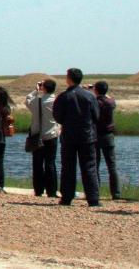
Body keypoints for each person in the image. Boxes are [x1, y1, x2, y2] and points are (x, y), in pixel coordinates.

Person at [52, 68, 100, 207]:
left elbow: (57, 116)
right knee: (89, 167)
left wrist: (68, 122)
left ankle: (67, 198)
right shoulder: (89, 96)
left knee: (68, 167)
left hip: (69, 136)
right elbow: (96, 115)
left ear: (69, 79)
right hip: (87, 135)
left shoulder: (63, 96)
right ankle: (93, 199)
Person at [25, 79, 60, 199]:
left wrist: (36, 90)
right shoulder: (56, 101)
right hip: (52, 135)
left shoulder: (37, 101)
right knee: (50, 163)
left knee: (37, 163)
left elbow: (27, 99)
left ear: (43, 88)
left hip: (37, 136)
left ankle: (38, 190)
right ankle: (52, 191)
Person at [92, 81, 121, 200]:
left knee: (95, 165)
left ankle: (95, 191)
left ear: (96, 90)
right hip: (108, 135)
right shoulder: (110, 102)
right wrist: (103, 94)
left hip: (95, 135)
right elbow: (111, 100)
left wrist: (91, 93)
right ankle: (116, 193)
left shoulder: (94, 102)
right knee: (112, 165)